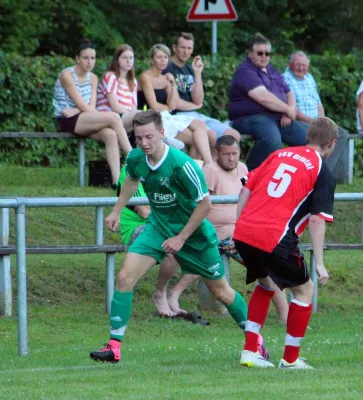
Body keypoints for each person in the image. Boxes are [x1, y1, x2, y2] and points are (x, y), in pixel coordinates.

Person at [90, 110, 266, 363]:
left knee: (222, 292)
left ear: (163, 133)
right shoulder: (137, 157)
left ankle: (256, 342)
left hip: (194, 236)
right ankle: (114, 347)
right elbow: (131, 180)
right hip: (158, 228)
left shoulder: (181, 164)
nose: (144, 143)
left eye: (149, 137)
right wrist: (117, 210)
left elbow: (205, 204)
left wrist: (181, 238)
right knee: (125, 278)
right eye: (139, 138)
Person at [234, 117, 338, 369]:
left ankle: (250, 352)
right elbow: (316, 220)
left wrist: (239, 227)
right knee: (304, 291)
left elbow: (246, 188)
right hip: (275, 238)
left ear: (307, 136)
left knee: (266, 284)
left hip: (245, 231)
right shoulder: (322, 170)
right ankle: (291, 359)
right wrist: (320, 263)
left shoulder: (279, 154)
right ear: (332, 143)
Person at [204, 135, 289, 324]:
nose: (231, 158)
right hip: (220, 234)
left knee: (271, 260)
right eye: (226, 154)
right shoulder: (210, 171)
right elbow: (202, 205)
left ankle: (285, 314)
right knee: (263, 265)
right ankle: (284, 314)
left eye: (234, 153)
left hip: (244, 230)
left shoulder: (242, 168)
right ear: (216, 153)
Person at [116, 165, 204, 319]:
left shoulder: (171, 168)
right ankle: (160, 293)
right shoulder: (134, 168)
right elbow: (144, 211)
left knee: (202, 249)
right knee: (171, 247)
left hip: (165, 226)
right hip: (137, 227)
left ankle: (174, 294)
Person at [52, 39, 132, 185]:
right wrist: (80, 108)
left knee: (111, 135)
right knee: (114, 117)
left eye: (93, 58)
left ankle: (117, 182)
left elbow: (91, 106)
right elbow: (84, 104)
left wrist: (77, 109)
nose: (89, 62)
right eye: (85, 58)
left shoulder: (93, 78)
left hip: (84, 117)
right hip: (66, 119)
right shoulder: (67, 75)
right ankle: (133, 157)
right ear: (77, 58)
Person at [229, 33, 307, 170]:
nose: (264, 56)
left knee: (304, 140)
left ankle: (293, 173)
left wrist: (289, 111)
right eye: (260, 53)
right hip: (248, 118)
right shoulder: (245, 71)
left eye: (267, 53)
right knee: (272, 140)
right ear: (250, 54)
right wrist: (287, 109)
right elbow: (263, 97)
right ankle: (250, 175)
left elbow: (289, 93)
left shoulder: (272, 70)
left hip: (277, 116)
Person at [138, 44, 213, 165]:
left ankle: (197, 168)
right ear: (152, 60)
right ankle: (206, 166)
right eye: (159, 57)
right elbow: (154, 106)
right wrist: (168, 107)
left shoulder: (166, 78)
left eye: (165, 57)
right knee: (195, 139)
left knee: (198, 130)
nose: (163, 60)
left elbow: (173, 105)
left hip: (167, 116)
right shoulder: (145, 77)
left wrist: (172, 84)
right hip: (152, 118)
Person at [163, 32, 240, 146]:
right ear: (174, 48)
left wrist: (197, 73)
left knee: (232, 134)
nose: (186, 52)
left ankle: (219, 163)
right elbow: (176, 104)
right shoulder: (166, 68)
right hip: (177, 116)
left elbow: (198, 100)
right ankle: (212, 163)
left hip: (194, 115)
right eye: (182, 47)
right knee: (211, 136)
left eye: (189, 48)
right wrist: (195, 106)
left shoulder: (190, 69)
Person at [282, 51, 348, 173]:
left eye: (304, 65)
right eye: (297, 64)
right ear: (290, 64)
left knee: (342, 134)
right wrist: (314, 122)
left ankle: (325, 170)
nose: (301, 68)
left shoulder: (309, 78)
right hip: (299, 121)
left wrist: (323, 121)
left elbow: (318, 103)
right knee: (317, 136)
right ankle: (316, 170)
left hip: (315, 121)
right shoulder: (284, 78)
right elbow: (293, 109)